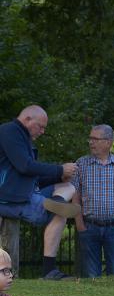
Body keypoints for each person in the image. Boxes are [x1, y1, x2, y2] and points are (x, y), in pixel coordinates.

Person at [0, 105, 81, 280]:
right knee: (59, 215)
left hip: (25, 193)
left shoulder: (22, 137)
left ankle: (57, 203)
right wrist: (60, 170)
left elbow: (32, 177)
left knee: (68, 186)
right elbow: (25, 166)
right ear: (28, 119)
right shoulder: (10, 131)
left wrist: (60, 177)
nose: (43, 131)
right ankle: (49, 270)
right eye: (41, 126)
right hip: (10, 199)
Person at [71, 124, 114, 277]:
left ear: (108, 142)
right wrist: (79, 224)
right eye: (90, 138)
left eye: (95, 139)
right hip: (89, 227)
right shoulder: (81, 163)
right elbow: (74, 195)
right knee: (91, 276)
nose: (91, 142)